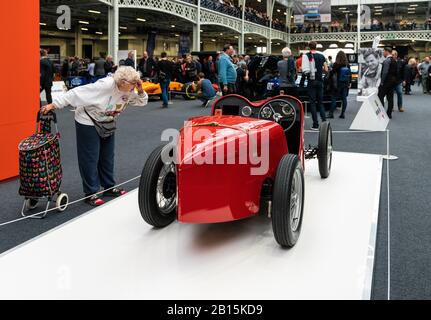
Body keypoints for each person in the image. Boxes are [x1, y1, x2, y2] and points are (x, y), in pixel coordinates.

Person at [40, 67, 148, 206]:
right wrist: (54, 104)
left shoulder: (129, 88)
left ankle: (109, 187)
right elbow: (76, 93)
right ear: (121, 82)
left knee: (107, 156)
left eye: (135, 83)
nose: (133, 87)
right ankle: (91, 192)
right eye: (132, 84)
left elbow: (142, 102)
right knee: (90, 157)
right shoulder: (105, 85)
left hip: (107, 122)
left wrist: (139, 89)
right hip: (88, 120)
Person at [302, 41, 328, 130]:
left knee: (312, 103)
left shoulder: (306, 56)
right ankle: (324, 122)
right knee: (320, 103)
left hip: (311, 82)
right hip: (320, 81)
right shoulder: (321, 56)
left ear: (309, 47)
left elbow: (304, 70)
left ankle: (315, 124)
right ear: (316, 47)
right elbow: (326, 69)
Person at [328, 51, 351, 119]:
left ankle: (331, 114)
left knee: (334, 98)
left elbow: (332, 74)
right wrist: (349, 83)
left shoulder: (336, 64)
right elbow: (350, 75)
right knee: (344, 99)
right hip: (345, 84)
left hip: (337, 84)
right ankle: (342, 114)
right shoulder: (347, 64)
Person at [378, 47, 398, 119]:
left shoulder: (387, 61)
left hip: (386, 82)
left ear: (387, 51)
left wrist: (382, 82)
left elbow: (385, 72)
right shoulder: (394, 60)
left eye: (384, 51)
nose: (383, 53)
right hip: (392, 82)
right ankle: (389, 114)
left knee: (380, 97)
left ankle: (382, 113)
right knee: (390, 98)